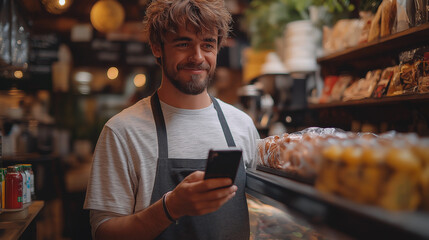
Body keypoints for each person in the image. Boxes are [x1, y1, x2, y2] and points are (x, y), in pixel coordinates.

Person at [83, 0, 259, 239]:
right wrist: (170, 208)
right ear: (157, 47)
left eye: (207, 44)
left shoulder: (242, 126)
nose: (197, 57)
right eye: (184, 43)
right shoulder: (122, 131)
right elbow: (104, 232)